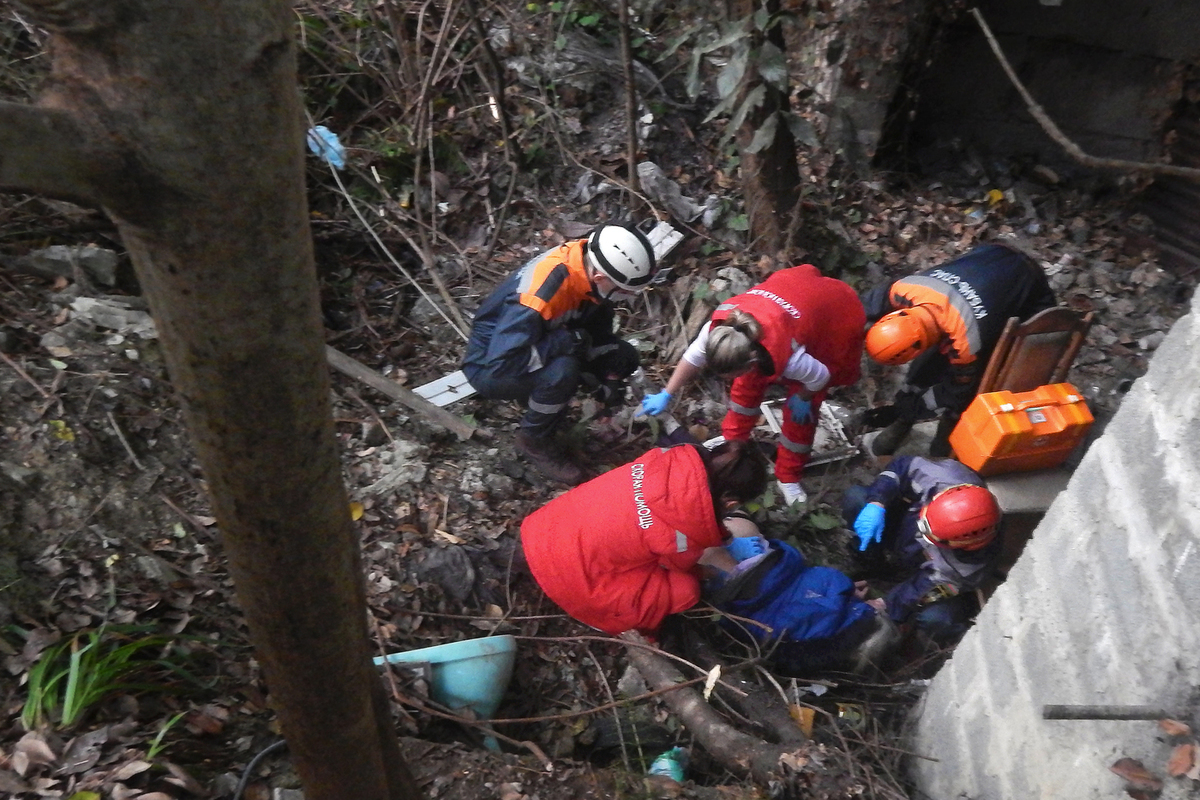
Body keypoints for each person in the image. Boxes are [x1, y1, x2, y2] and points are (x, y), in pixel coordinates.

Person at [640, 265, 865, 506]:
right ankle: (734, 443)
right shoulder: (721, 332)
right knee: (743, 394)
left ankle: (788, 475)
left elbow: (820, 377)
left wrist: (804, 396)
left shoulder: (792, 359)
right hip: (787, 294)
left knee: (800, 418)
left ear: (751, 361)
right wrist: (667, 393)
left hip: (830, 309)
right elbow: (692, 358)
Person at [463, 224, 658, 485]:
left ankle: (551, 396)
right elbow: (503, 363)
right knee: (563, 371)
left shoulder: (589, 270)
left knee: (623, 355)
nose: (627, 297)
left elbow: (599, 334)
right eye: (624, 291)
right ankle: (533, 439)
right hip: (490, 364)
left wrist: (608, 378)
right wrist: (565, 343)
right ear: (600, 277)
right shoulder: (539, 296)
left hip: (546, 338)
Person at [519, 440, 768, 637]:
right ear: (731, 502)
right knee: (686, 590)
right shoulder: (683, 527)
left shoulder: (664, 461)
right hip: (567, 577)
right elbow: (687, 568)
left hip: (544, 531)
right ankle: (605, 619)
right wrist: (727, 571)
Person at [862, 241, 1057, 456]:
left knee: (980, 372)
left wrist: (920, 407)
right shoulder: (904, 289)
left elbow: (956, 390)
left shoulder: (966, 343)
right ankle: (904, 419)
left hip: (1028, 284)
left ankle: (947, 434)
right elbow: (860, 309)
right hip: (989, 254)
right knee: (930, 362)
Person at [702, 515, 899, 677]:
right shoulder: (825, 583)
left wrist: (848, 594)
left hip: (757, 588)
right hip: (757, 583)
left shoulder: (766, 629)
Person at [842, 456, 1003, 645]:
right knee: (857, 498)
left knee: (936, 618)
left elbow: (925, 588)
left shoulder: (964, 568)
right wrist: (877, 502)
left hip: (926, 568)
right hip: (905, 529)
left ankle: (952, 637)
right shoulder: (945, 478)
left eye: (932, 535)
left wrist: (885, 604)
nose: (922, 530)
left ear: (963, 544)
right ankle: (871, 561)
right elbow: (903, 465)